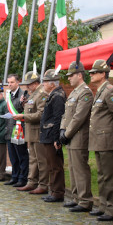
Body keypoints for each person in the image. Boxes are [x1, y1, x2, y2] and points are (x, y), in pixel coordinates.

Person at [87, 59, 113, 221]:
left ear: (103, 74)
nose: (91, 75)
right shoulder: (101, 91)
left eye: (94, 72)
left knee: (109, 174)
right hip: (99, 139)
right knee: (101, 174)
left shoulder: (110, 90)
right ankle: (103, 205)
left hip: (107, 139)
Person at [59, 57, 95, 212]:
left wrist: (66, 133)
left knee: (80, 169)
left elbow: (79, 117)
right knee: (73, 168)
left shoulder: (85, 93)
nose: (69, 78)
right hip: (71, 135)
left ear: (79, 75)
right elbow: (66, 115)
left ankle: (85, 200)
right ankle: (76, 197)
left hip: (79, 135)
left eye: (71, 75)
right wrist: (62, 130)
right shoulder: (74, 92)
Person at [14, 70, 49, 194]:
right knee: (33, 159)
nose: (27, 86)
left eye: (29, 84)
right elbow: (30, 109)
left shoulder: (42, 94)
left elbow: (41, 114)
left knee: (41, 160)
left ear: (35, 83)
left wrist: (23, 116)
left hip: (38, 132)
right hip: (31, 132)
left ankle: (43, 184)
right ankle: (32, 182)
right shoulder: (33, 94)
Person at [39, 69, 67, 203]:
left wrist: (57, 138)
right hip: (48, 135)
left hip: (52, 136)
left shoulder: (58, 96)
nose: (43, 84)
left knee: (56, 166)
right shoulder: (53, 95)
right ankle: (54, 191)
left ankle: (58, 192)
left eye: (45, 81)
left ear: (52, 83)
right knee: (51, 165)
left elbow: (58, 118)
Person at [4, 74, 29, 188]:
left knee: (21, 156)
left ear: (18, 82)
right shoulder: (8, 95)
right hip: (10, 129)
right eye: (8, 82)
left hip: (19, 129)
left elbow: (27, 111)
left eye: (12, 82)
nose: (9, 84)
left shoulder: (24, 94)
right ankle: (14, 177)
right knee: (13, 156)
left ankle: (22, 178)